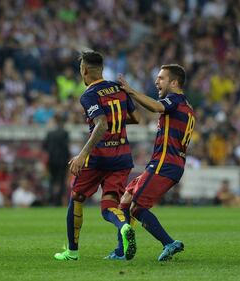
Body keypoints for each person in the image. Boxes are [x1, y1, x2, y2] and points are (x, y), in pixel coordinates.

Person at [54, 51, 140, 261]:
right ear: (101, 69)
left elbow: (101, 125)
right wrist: (115, 120)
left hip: (100, 155)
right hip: (122, 156)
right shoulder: (119, 88)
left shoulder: (89, 95)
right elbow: (135, 117)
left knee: (76, 198)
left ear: (84, 71)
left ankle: (72, 252)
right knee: (109, 205)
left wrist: (83, 154)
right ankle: (124, 226)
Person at [118, 64, 195, 262]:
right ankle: (122, 250)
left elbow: (155, 106)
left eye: (161, 78)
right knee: (126, 198)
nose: (156, 81)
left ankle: (169, 243)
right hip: (167, 163)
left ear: (174, 82)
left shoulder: (175, 100)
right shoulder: (185, 105)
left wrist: (130, 91)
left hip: (165, 163)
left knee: (137, 207)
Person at [43, 114, 70, 206]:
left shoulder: (50, 133)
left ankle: (50, 199)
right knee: (61, 180)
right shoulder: (64, 133)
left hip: (52, 160)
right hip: (62, 160)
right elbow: (66, 148)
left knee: (52, 180)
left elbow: (45, 146)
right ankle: (58, 200)